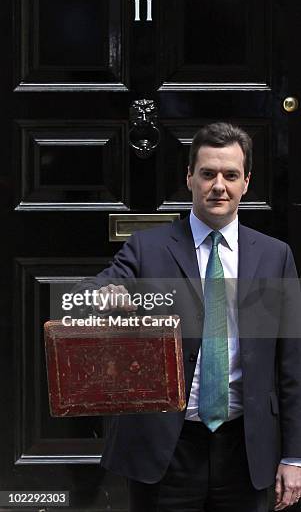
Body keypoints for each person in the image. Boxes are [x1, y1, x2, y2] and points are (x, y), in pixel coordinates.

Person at [74, 122, 301, 512]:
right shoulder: (148, 248)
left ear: (246, 182)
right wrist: (102, 295)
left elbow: (292, 364)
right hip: (165, 449)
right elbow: (86, 295)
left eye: (230, 175)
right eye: (208, 173)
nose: (219, 186)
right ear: (189, 179)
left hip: (246, 447)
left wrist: (294, 456)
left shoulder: (273, 256)